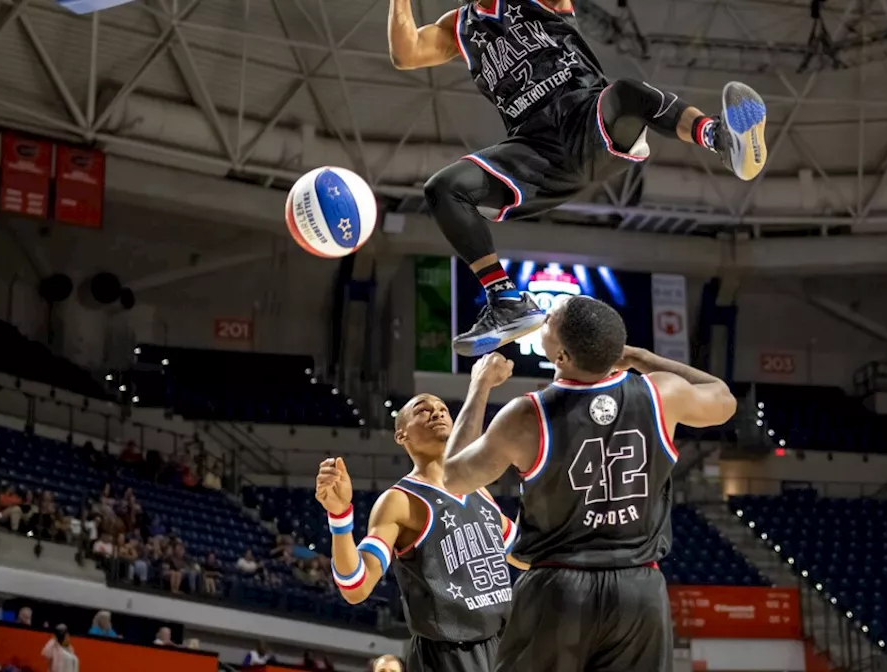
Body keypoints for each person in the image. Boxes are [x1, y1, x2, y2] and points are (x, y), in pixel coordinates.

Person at [387, 0, 767, 357]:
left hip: (588, 121)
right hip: (535, 151)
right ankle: (505, 301)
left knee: (627, 93)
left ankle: (718, 136)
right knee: (444, 188)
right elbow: (406, 53)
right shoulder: (459, 26)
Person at [440, 296, 738, 672]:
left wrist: (479, 387)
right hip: (640, 590)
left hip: (559, 589)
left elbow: (453, 477)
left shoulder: (529, 414)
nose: (543, 317)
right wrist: (643, 358)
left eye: (549, 320)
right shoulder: (661, 394)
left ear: (561, 357)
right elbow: (724, 398)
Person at [315, 393, 521, 672]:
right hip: (448, 654)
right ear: (401, 435)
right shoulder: (399, 500)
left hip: (502, 645)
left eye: (443, 409)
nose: (436, 413)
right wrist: (340, 517)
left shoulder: (478, 489)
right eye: (423, 411)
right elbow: (356, 587)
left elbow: (523, 551)